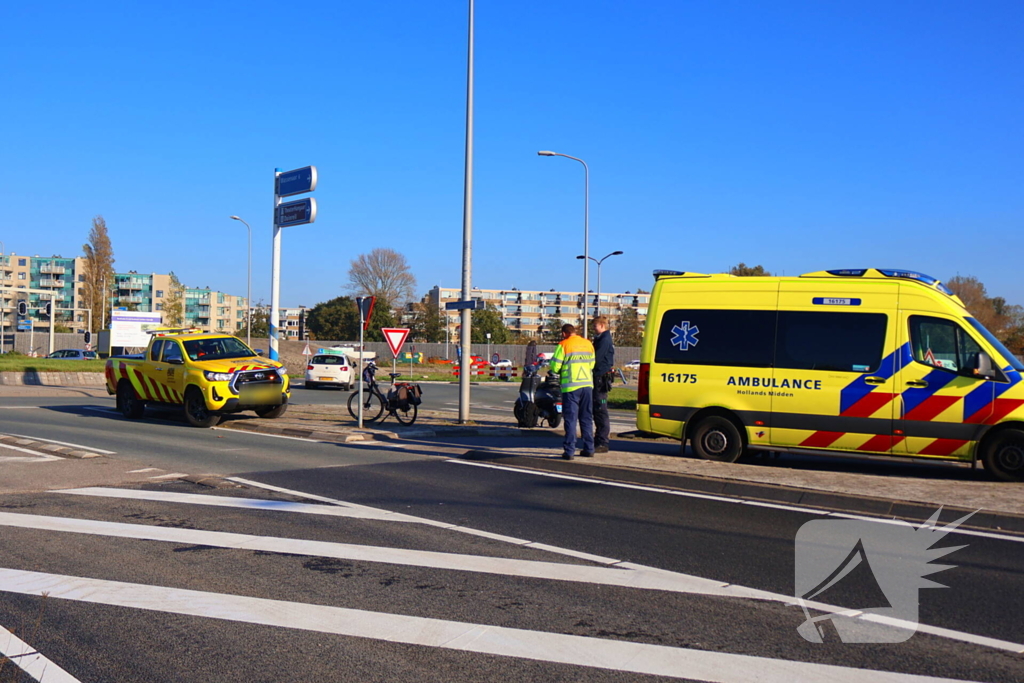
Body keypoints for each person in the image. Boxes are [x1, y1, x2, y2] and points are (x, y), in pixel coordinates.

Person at [549, 323, 595, 460]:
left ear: (564, 333)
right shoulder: (588, 344)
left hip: (571, 387)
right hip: (587, 385)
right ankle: (589, 448)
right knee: (586, 418)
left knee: (571, 419)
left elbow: (555, 366)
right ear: (574, 331)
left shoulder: (564, 345)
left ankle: (569, 451)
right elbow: (592, 364)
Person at [591, 315, 615, 453]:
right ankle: (599, 439)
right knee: (598, 409)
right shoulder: (602, 339)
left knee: (600, 410)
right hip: (600, 376)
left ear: (601, 325)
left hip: (600, 377)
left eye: (595, 326)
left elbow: (597, 358)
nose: (594, 329)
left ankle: (602, 442)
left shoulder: (604, 340)